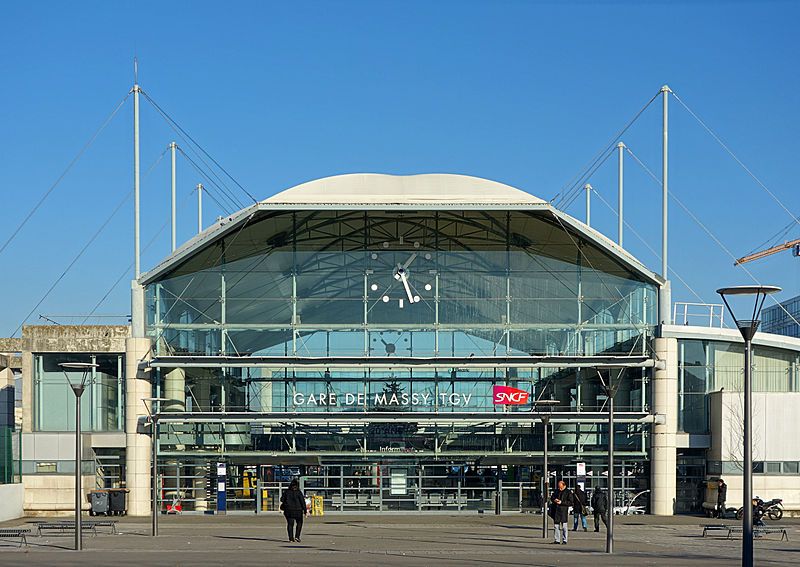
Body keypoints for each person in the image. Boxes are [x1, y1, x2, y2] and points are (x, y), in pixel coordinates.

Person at [549, 480, 573, 545]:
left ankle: (565, 540)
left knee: (564, 527)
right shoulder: (556, 491)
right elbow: (552, 497)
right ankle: (557, 540)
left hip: (563, 511)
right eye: (559, 487)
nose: (560, 488)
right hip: (556, 511)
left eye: (561, 487)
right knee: (556, 526)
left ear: (564, 486)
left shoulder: (568, 492)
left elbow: (571, 502)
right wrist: (554, 499)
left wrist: (561, 502)